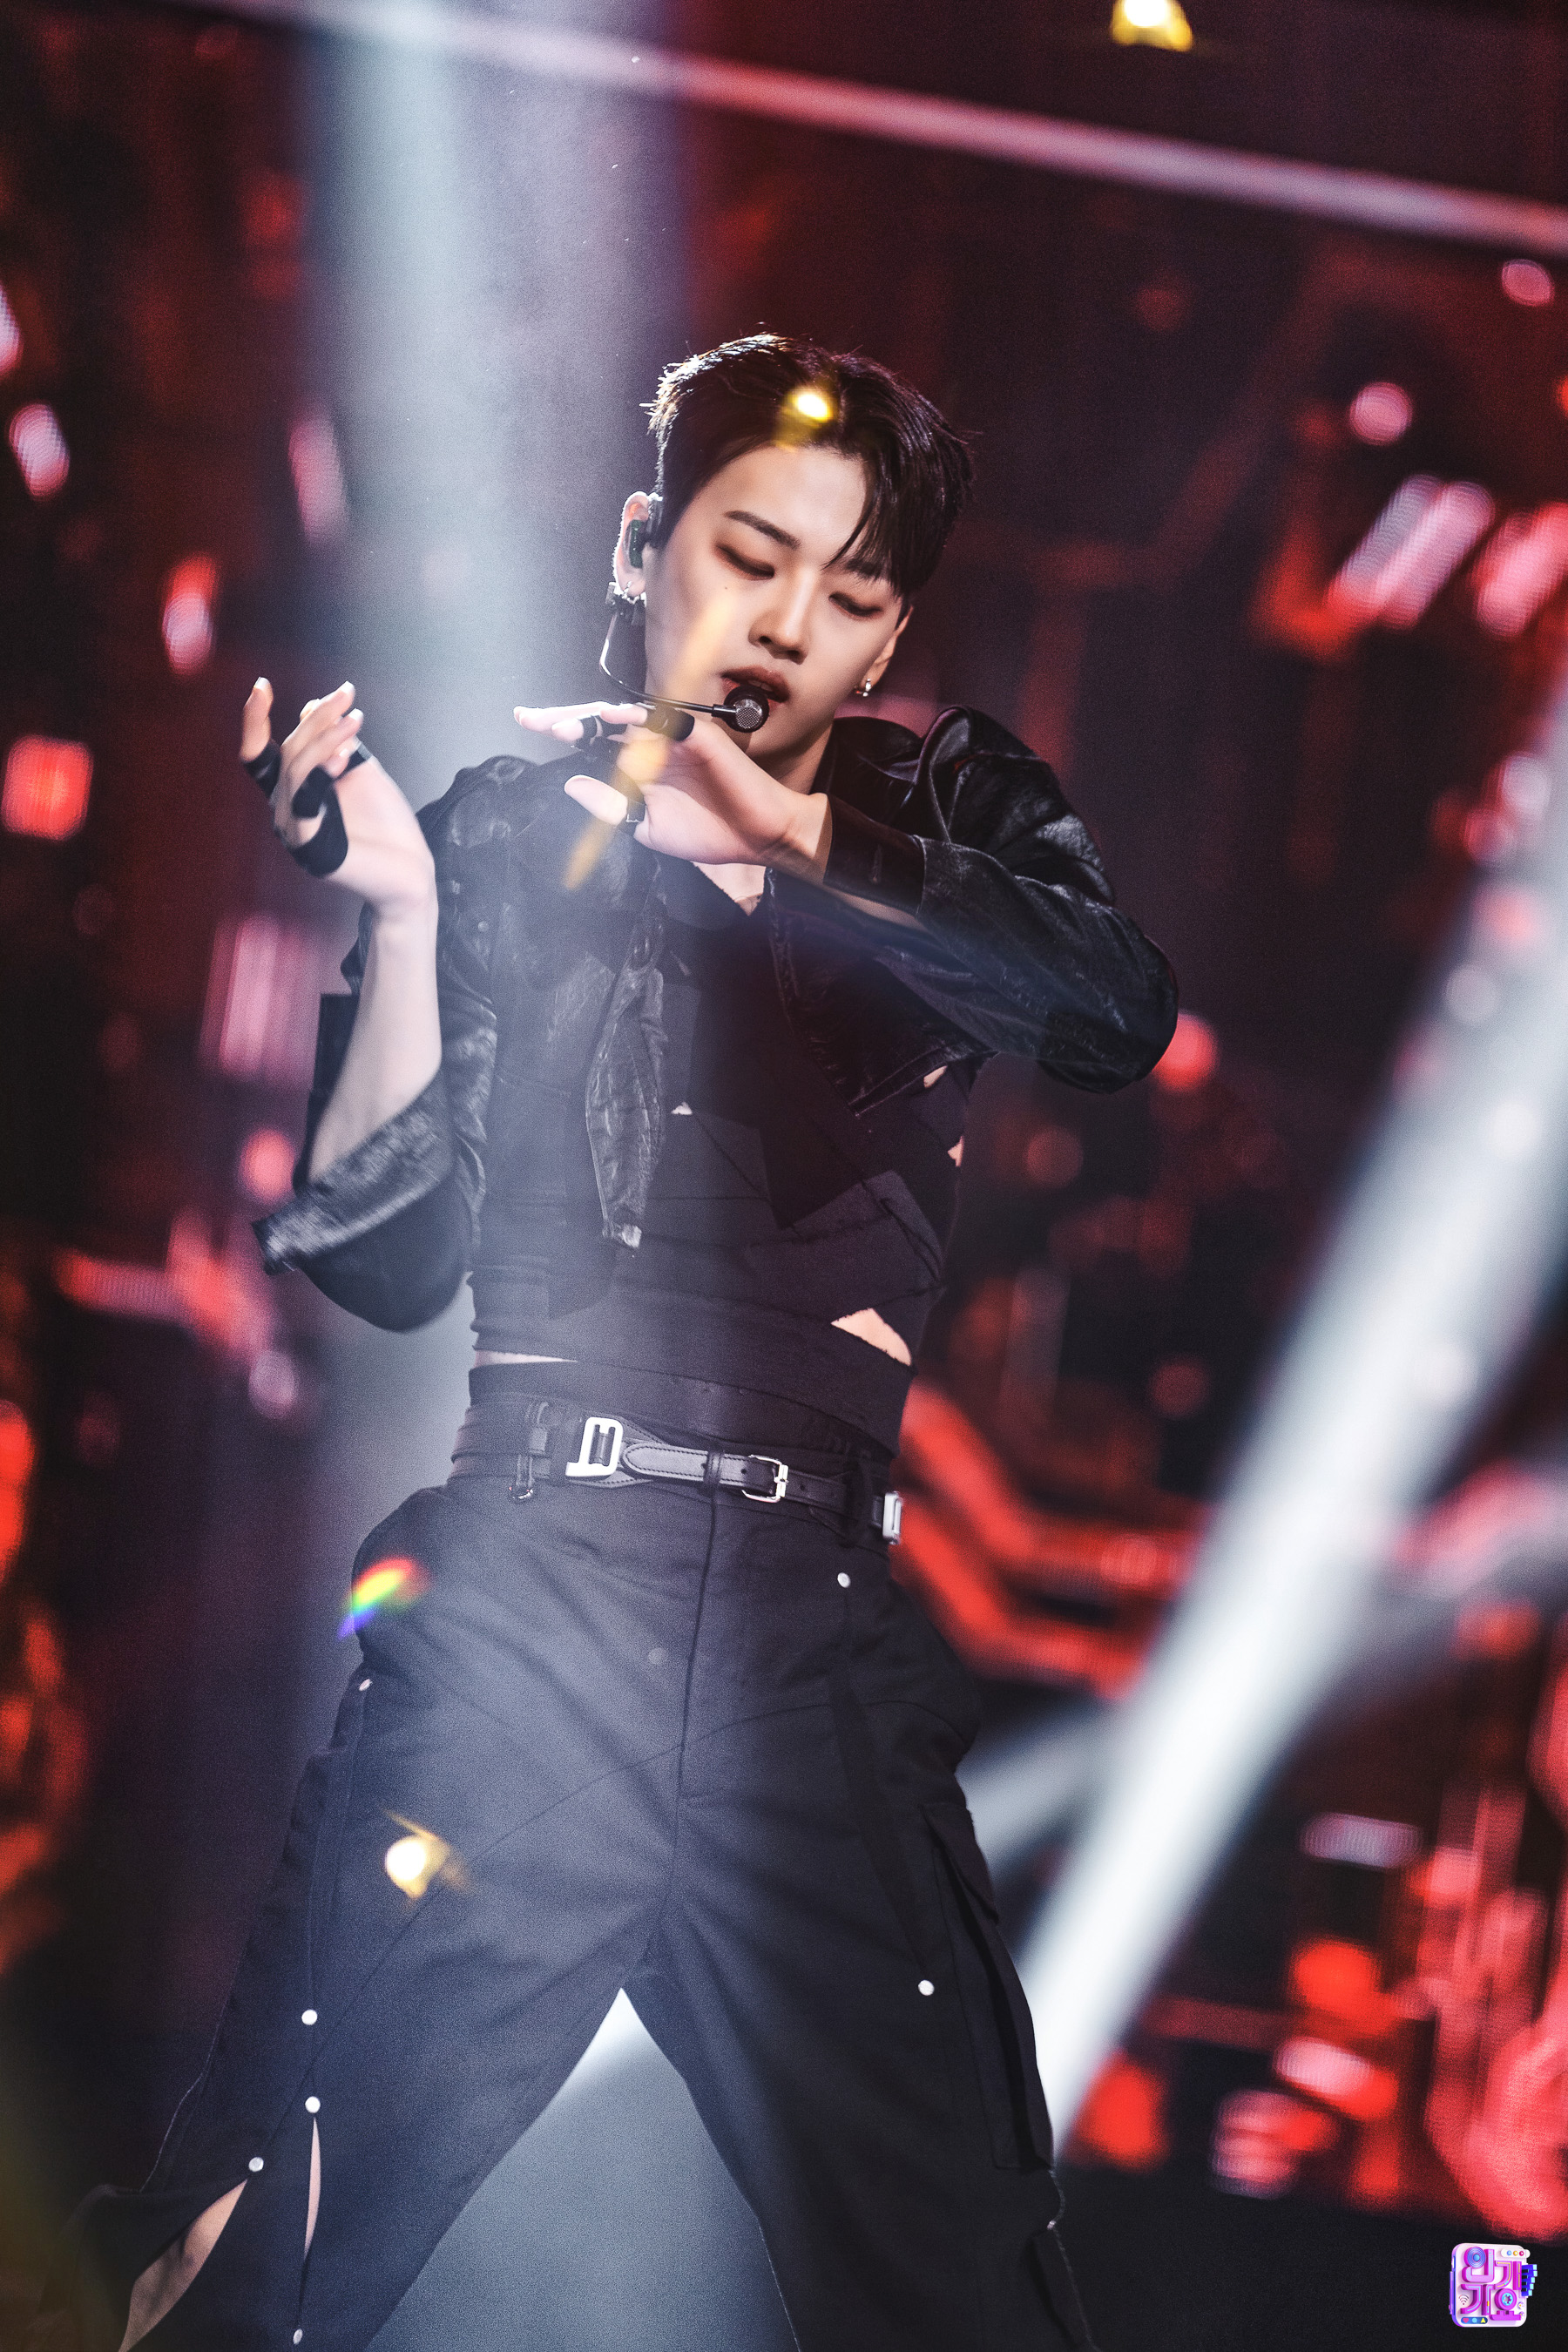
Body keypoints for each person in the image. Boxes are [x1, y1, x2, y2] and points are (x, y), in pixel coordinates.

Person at [37, 335, 1175, 2352]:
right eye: (750, 554)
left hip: (808, 1648)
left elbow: (1107, 1007)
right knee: (253, 2251)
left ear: (891, 634)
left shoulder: (942, 805)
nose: (791, 622)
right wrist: (402, 910)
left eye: (852, 590)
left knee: (966, 2287)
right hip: (532, 1608)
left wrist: (785, 840)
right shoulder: (505, 836)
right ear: (649, 546)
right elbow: (387, 1255)